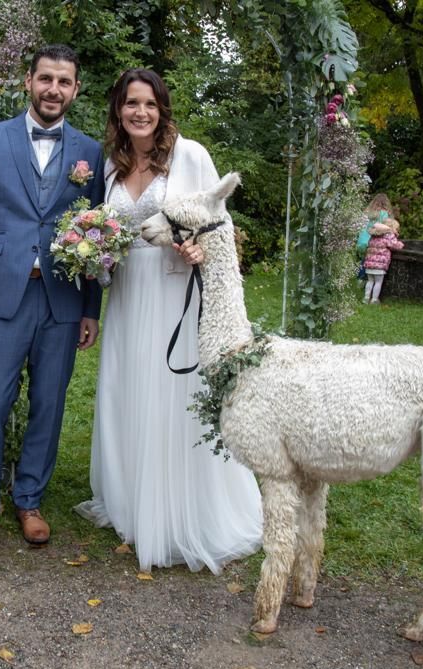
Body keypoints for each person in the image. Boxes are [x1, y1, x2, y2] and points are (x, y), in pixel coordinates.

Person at [73, 68, 263, 574]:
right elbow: (104, 229)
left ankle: (185, 511)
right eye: (132, 103)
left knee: (176, 397)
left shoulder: (191, 156)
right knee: (130, 391)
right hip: (130, 293)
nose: (141, 113)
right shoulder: (108, 168)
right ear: (118, 109)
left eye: (150, 105)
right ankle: (134, 501)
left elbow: (220, 225)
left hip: (176, 288)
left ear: (162, 110)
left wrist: (201, 247)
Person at [0, 44, 106, 558]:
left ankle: (30, 500)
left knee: (49, 405)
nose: (53, 90)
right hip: (1, 290)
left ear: (75, 89)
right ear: (28, 81)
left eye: (64, 82)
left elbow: (98, 232)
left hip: (61, 297)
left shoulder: (90, 152)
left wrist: (90, 309)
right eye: (46, 79)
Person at [362, 217, 404, 304]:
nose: (397, 230)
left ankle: (366, 298)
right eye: (396, 229)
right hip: (380, 265)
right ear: (391, 228)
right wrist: (400, 244)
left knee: (370, 281)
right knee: (378, 282)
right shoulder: (389, 236)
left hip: (369, 264)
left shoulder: (374, 235)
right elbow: (394, 245)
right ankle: (374, 299)